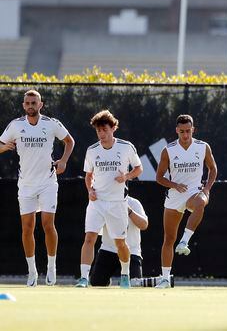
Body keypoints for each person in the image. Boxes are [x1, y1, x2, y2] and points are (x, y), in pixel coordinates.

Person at [0, 89, 75, 287]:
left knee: (48, 225)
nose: (31, 105)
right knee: (27, 228)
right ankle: (32, 271)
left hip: (48, 182)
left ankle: (51, 267)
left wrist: (64, 162)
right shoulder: (16, 125)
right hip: (25, 185)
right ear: (24, 106)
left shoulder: (51, 124)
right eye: (27, 103)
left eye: (34, 102)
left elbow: (69, 141)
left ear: (40, 105)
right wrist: (4, 147)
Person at [76, 110, 143, 288]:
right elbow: (88, 176)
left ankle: (125, 275)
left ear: (113, 128)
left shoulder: (126, 147)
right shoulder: (92, 151)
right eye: (98, 131)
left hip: (117, 203)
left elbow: (139, 169)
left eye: (104, 130)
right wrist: (90, 190)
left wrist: (126, 177)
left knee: (120, 242)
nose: (101, 134)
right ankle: (83, 278)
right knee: (89, 238)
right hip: (96, 202)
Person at [155, 115, 217, 289]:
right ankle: (165, 278)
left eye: (188, 131)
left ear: (193, 129)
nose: (185, 135)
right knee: (168, 239)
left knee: (200, 203)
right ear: (177, 131)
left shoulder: (203, 147)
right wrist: (174, 184)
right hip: (174, 196)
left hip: (194, 192)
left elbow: (213, 168)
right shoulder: (168, 150)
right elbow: (159, 177)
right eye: (182, 131)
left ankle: (185, 241)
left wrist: (206, 189)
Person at [90, 196, 148, 286]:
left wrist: (129, 211)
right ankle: (106, 279)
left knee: (134, 284)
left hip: (131, 251)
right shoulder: (103, 203)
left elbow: (144, 225)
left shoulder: (134, 203)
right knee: (96, 283)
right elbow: (96, 229)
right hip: (108, 249)